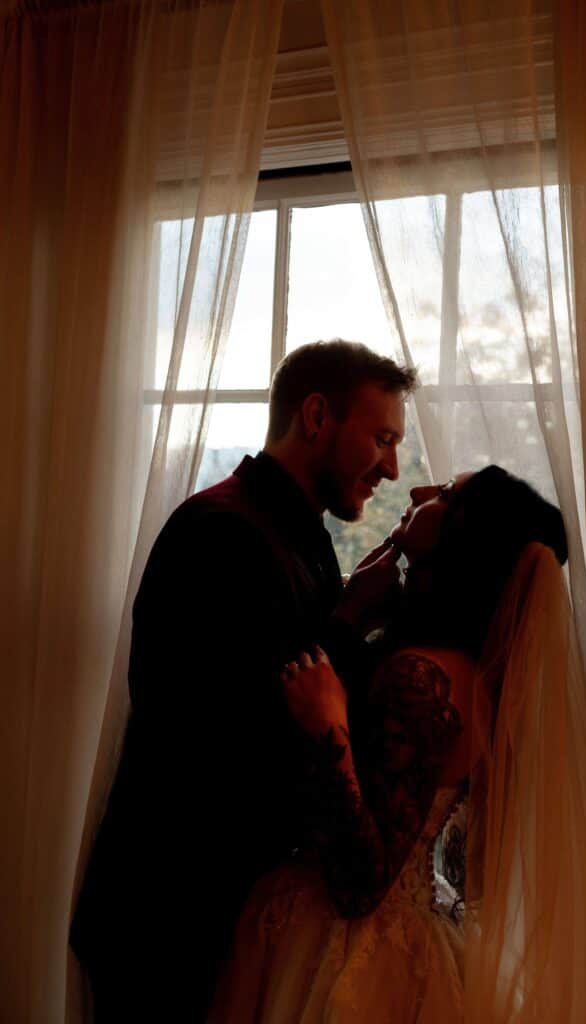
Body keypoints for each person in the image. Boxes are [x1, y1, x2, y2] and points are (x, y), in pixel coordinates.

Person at [69, 340, 418, 1023]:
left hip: (220, 902)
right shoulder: (220, 533)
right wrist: (348, 623)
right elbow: (251, 725)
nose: (393, 467)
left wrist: (351, 611)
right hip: (170, 907)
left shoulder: (298, 534)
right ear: (316, 416)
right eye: (381, 438)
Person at [208, 465, 569, 1023]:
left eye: (445, 494)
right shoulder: (461, 672)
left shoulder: (421, 678)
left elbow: (361, 883)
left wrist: (329, 728)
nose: (420, 491)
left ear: (466, 535)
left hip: (351, 950)